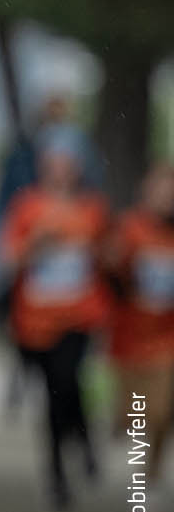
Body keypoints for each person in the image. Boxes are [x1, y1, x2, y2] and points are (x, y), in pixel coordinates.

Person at [0, 126, 112, 511]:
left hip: (79, 315)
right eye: (54, 162)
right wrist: (37, 243)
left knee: (68, 380)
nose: (61, 169)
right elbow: (8, 259)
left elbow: (107, 257)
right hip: (35, 320)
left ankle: (72, 454)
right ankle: (62, 463)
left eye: (68, 162)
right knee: (53, 392)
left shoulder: (92, 208)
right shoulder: (27, 207)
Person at [106, 163, 174, 494]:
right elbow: (110, 272)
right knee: (132, 413)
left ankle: (152, 471)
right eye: (161, 191)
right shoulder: (130, 229)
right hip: (130, 335)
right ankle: (127, 435)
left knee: (162, 409)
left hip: (167, 337)